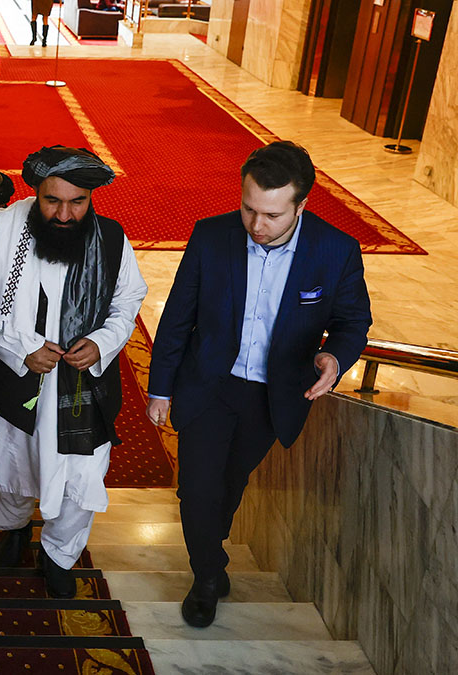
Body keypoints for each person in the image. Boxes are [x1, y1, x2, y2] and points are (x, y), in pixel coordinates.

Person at [146, 141, 371, 628]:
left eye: (271, 215)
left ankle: (210, 551)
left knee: (230, 485)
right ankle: (207, 577)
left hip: (272, 395)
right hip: (210, 384)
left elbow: (354, 322)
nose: (256, 224)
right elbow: (178, 316)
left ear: (301, 204)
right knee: (196, 490)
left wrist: (334, 356)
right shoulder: (211, 236)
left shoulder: (335, 251)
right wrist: (160, 387)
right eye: (249, 208)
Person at [0, 146, 147, 599]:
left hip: (82, 385)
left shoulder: (110, 238)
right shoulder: (6, 229)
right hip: (16, 378)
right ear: (36, 194)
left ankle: (58, 554)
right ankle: (14, 528)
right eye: (53, 201)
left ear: (91, 199)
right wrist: (21, 351)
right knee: (10, 461)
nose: (65, 215)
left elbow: (128, 300)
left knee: (82, 474)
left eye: (77, 202)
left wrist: (102, 342)